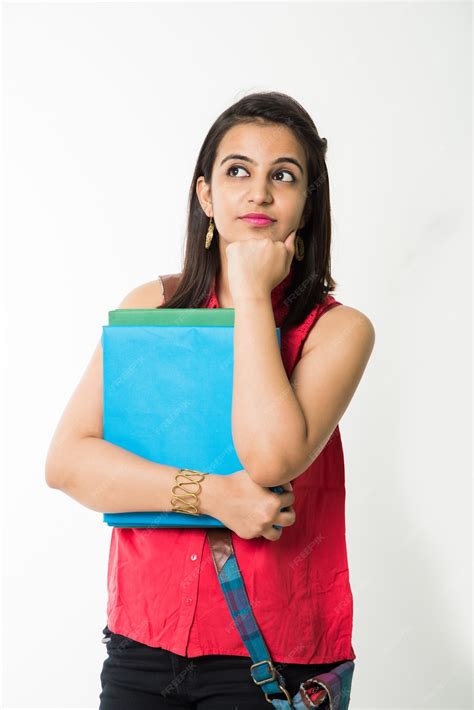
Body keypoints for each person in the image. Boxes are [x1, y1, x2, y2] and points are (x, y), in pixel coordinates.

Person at [45, 90, 375, 709]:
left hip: (274, 653)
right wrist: (214, 496)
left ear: (307, 202)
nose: (259, 193)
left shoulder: (337, 330)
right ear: (206, 196)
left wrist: (251, 292)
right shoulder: (153, 307)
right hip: (144, 639)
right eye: (237, 171)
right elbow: (67, 462)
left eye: (284, 175)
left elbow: (272, 458)